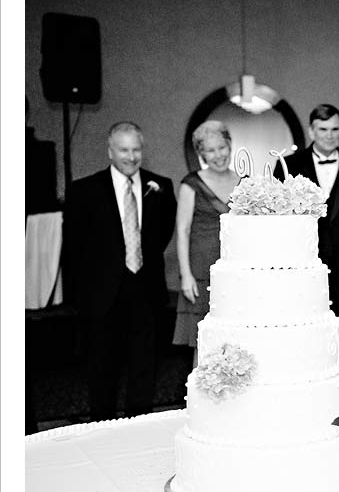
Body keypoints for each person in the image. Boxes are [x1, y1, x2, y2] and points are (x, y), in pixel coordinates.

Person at [63, 121, 176, 421]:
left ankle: (139, 425)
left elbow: (163, 232)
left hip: (146, 288)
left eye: (136, 149)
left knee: (145, 365)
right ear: (110, 150)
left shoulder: (161, 186)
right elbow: (73, 247)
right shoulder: (84, 191)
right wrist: (78, 298)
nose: (131, 156)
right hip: (102, 294)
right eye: (124, 150)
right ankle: (103, 427)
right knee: (102, 367)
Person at [274, 105, 339, 391]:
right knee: (307, 322)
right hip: (305, 259)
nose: (329, 136)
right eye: (323, 129)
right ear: (311, 130)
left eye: (335, 129)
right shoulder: (289, 165)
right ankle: (308, 386)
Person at [172, 121, 240, 367]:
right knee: (205, 341)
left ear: (230, 145)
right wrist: (186, 275)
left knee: (237, 337)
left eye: (221, 147)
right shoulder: (191, 183)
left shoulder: (245, 182)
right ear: (201, 154)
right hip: (202, 272)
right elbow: (182, 230)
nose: (218, 155)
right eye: (210, 150)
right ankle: (203, 399)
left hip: (236, 271)